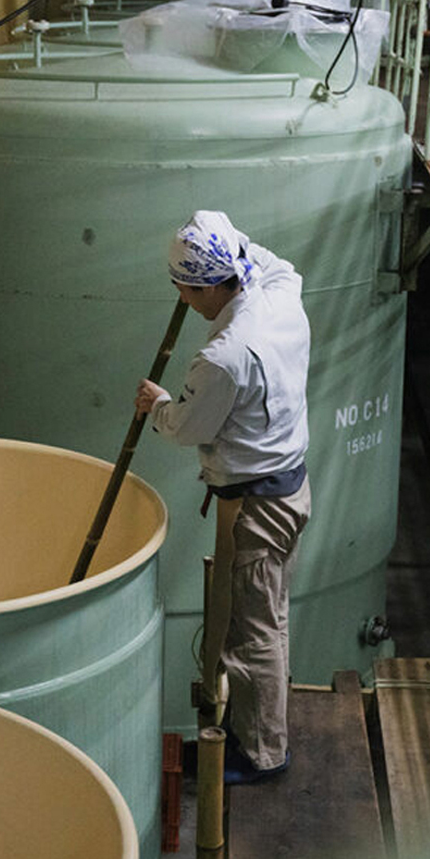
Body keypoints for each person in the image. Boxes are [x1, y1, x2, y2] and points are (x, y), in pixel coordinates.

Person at [135, 210, 311, 785]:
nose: (183, 301)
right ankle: (261, 728)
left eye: (185, 289)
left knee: (251, 632)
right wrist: (222, 237)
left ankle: (263, 753)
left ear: (210, 284)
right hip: (289, 489)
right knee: (269, 618)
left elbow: (189, 429)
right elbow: (265, 260)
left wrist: (157, 405)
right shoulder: (280, 291)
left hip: (255, 509)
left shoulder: (222, 358)